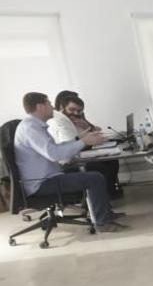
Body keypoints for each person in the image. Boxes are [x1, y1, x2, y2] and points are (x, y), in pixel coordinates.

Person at [13, 92, 124, 232]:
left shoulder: (34, 125)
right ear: (40, 106)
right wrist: (84, 141)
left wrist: (78, 139)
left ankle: (106, 214)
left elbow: (56, 148)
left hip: (50, 176)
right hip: (41, 183)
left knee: (96, 173)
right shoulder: (30, 128)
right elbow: (54, 155)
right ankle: (103, 223)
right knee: (95, 178)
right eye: (49, 103)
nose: (52, 106)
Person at [46, 94, 122, 197]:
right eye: (72, 109)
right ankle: (106, 195)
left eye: (79, 111)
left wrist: (87, 126)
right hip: (69, 159)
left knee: (112, 160)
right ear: (62, 107)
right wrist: (85, 139)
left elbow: (95, 131)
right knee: (101, 166)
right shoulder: (61, 122)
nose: (75, 113)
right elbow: (70, 146)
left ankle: (111, 192)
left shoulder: (77, 119)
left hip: (81, 151)